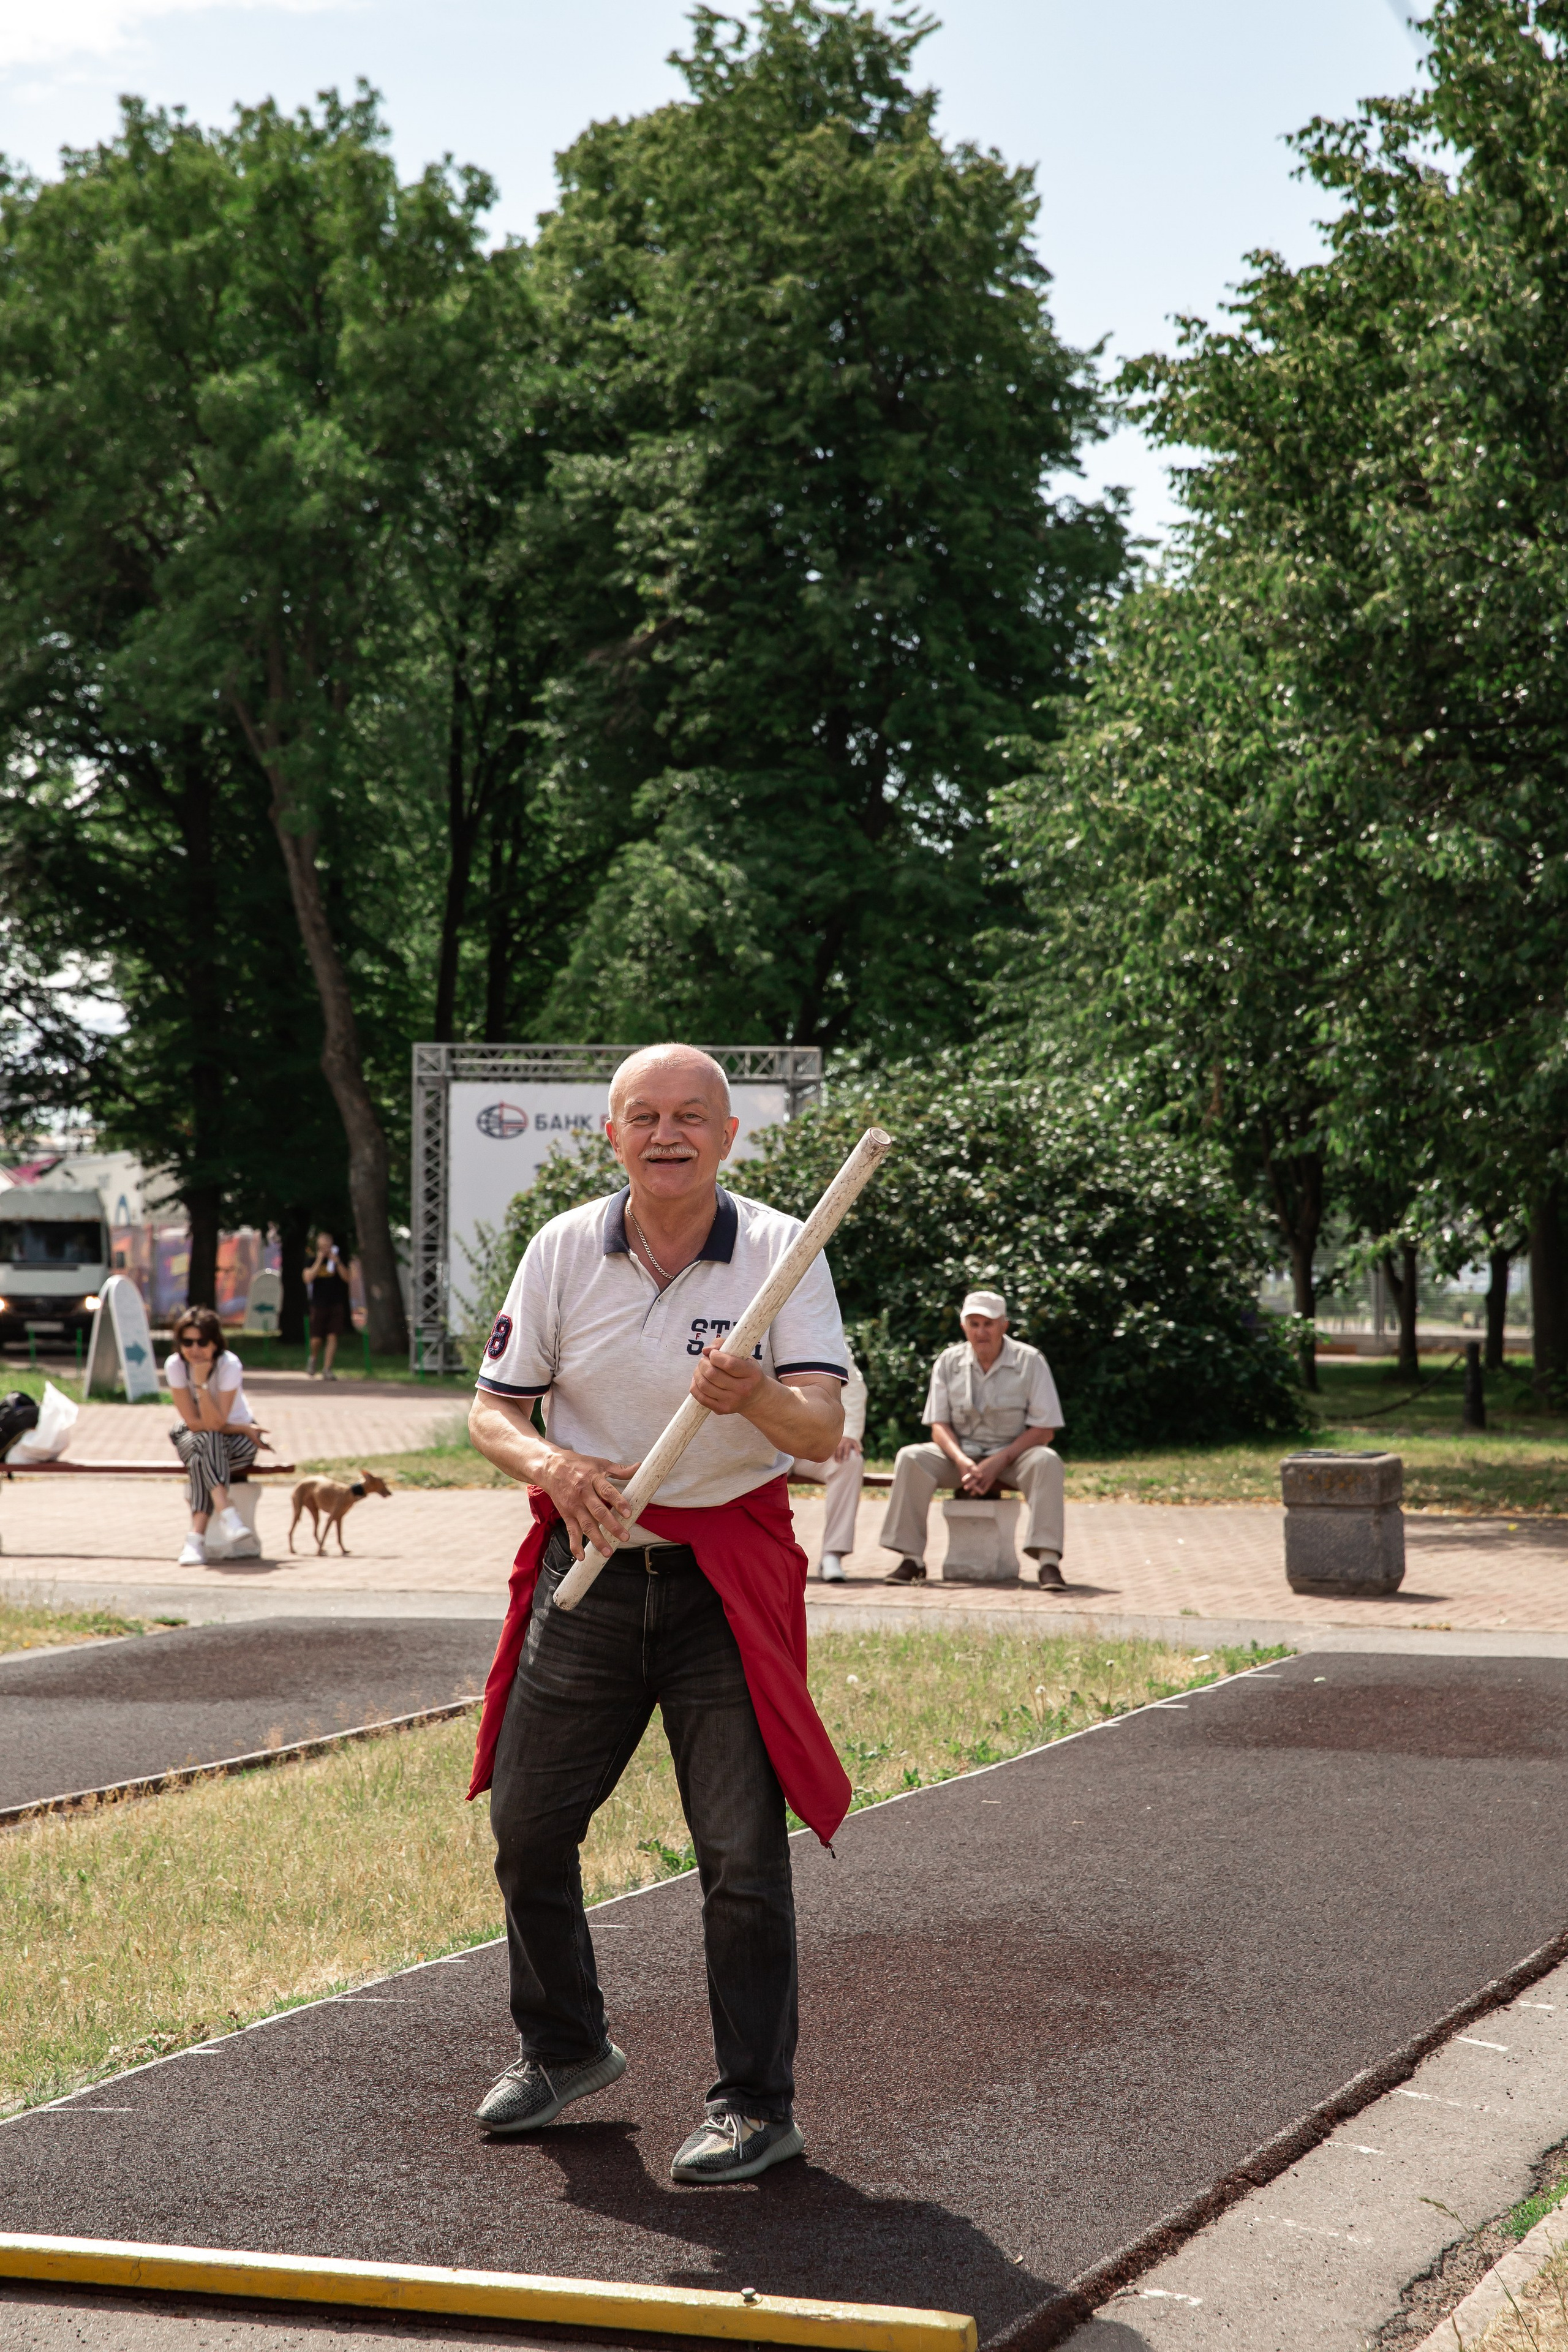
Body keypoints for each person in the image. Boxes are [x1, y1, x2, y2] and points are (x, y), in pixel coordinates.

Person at [466, 1042, 852, 2187]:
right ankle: (565, 2047)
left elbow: (822, 1431)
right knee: (529, 1825)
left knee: (737, 1855)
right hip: (589, 1573)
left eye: (692, 1116)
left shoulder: (782, 1249)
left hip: (717, 1586)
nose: (668, 1133)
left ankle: (753, 2103)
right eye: (645, 1115)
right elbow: (491, 1412)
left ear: (729, 1135)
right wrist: (555, 1464)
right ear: (612, 1135)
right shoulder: (562, 1248)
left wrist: (759, 1396)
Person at [880, 1289, 1066, 1588]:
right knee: (911, 1457)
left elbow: (1044, 1430)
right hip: (961, 1457)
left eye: (988, 1324)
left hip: (1013, 1458)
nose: (981, 1332)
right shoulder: (948, 1361)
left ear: (1004, 1326)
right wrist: (962, 1460)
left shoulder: (1030, 1361)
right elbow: (938, 1425)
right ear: (963, 1326)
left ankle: (1048, 1562)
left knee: (1047, 1460)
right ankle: (911, 1559)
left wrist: (998, 1461)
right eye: (974, 1324)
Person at [166, 1306, 265, 1567]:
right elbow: (195, 1423)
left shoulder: (229, 1365)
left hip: (238, 1444)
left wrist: (201, 1383)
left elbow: (216, 1422)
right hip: (205, 1434)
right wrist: (242, 1427)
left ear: (216, 1343)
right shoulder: (175, 1366)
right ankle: (227, 1512)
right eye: (187, 1342)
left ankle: (195, 1540)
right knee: (205, 1443)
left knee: (203, 1452)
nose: (194, 1349)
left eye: (202, 1342)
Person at [791, 1344, 867, 1580]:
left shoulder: (821, 1326)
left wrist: (850, 1432)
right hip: (763, 1444)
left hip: (809, 1444)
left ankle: (832, 1554)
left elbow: (852, 1385)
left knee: (849, 1461)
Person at [305, 1231, 351, 1379]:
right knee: (317, 1338)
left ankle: (327, 1369)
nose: (326, 1249)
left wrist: (336, 1262)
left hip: (335, 1303)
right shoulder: (311, 1260)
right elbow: (307, 1278)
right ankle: (313, 1358)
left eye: (328, 1246)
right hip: (318, 1304)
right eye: (323, 1246)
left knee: (333, 1336)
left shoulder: (338, 1260)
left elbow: (347, 1277)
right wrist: (319, 1260)